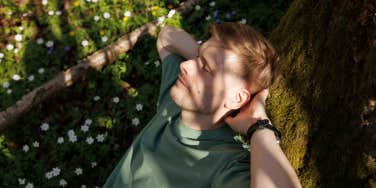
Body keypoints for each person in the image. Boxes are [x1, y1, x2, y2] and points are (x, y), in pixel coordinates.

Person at [104, 22, 302, 188]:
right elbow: (167, 36)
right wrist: (207, 55)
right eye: (197, 58)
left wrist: (259, 125)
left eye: (206, 68)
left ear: (236, 99)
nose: (186, 65)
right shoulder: (177, 99)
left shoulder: (226, 163)